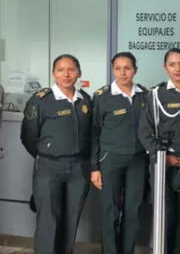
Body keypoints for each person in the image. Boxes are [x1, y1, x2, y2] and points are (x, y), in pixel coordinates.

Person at [20, 54, 92, 254]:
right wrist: (49, 153)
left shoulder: (84, 100)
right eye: (61, 70)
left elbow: (91, 135)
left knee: (71, 220)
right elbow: (28, 137)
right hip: (49, 168)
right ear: (53, 73)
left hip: (78, 169)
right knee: (48, 221)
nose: (66, 74)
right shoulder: (40, 101)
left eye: (71, 69)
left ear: (78, 72)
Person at [139, 48, 180, 254]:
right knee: (165, 214)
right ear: (165, 67)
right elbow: (145, 132)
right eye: (172, 64)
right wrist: (163, 156)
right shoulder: (156, 94)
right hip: (163, 164)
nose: (178, 68)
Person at [90, 52, 148, 254]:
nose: (123, 72)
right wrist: (94, 167)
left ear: (135, 70)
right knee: (110, 211)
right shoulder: (102, 97)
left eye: (127, 68)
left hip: (138, 161)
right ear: (113, 70)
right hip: (110, 160)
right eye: (118, 68)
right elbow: (94, 133)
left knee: (133, 211)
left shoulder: (144, 95)